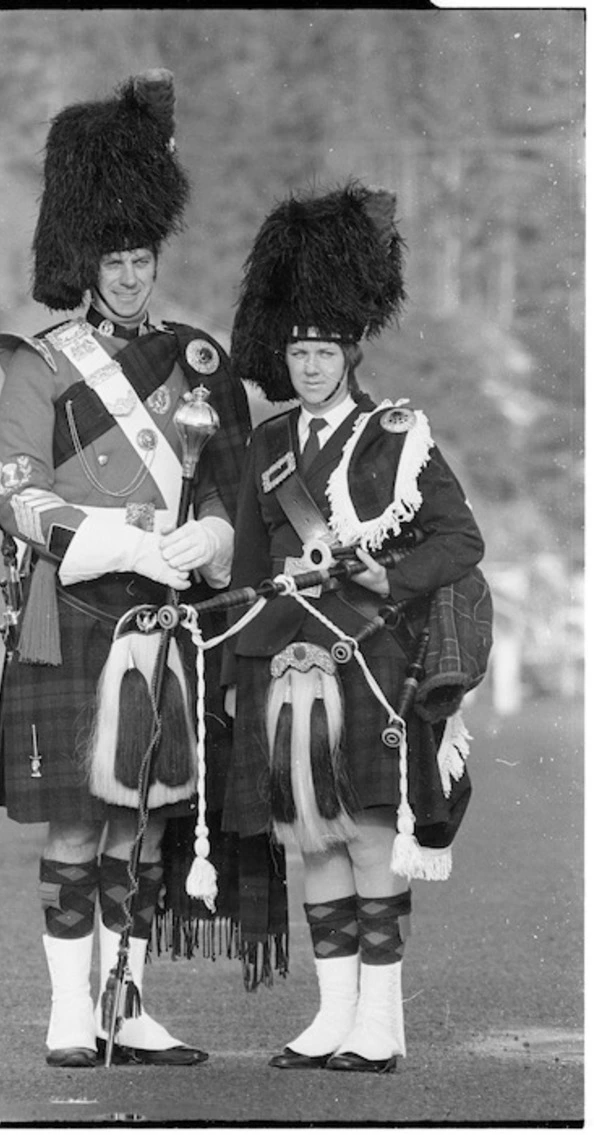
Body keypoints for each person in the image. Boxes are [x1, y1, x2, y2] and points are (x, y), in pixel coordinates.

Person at [0, 70, 251, 1068]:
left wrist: (209, 538)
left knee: (139, 830)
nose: (132, 276)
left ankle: (126, 1005)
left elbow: (224, 489)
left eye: (142, 257)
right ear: (83, 262)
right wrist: (128, 538)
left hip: (160, 624)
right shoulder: (39, 365)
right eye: (115, 259)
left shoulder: (196, 360)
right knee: (71, 828)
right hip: (74, 608)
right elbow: (19, 497)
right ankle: (67, 1010)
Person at [221, 181, 489, 1072]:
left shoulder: (396, 435)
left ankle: (382, 1020)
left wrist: (388, 572)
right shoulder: (263, 447)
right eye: (295, 349)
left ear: (351, 349)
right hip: (283, 665)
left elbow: (460, 538)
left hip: (371, 659)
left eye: (322, 349)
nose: (307, 364)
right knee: (311, 836)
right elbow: (254, 565)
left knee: (371, 836)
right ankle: (334, 1017)